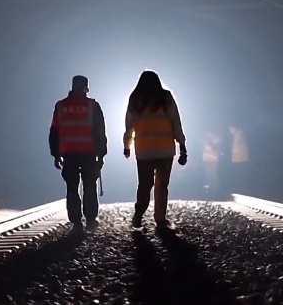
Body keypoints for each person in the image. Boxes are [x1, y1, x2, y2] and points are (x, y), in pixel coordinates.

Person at [123, 70, 187, 231]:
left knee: (145, 185)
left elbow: (129, 126)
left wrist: (127, 146)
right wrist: (182, 145)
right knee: (162, 185)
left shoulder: (135, 99)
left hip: (144, 150)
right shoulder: (166, 97)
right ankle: (160, 219)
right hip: (165, 149)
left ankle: (138, 216)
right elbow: (176, 122)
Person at [49, 75, 108, 232]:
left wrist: (55, 154)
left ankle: (76, 222)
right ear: (86, 87)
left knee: (72, 188)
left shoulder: (61, 106)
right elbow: (100, 131)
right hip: (89, 153)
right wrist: (101, 153)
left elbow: (54, 131)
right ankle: (90, 220)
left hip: (69, 154)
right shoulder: (92, 106)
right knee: (90, 186)